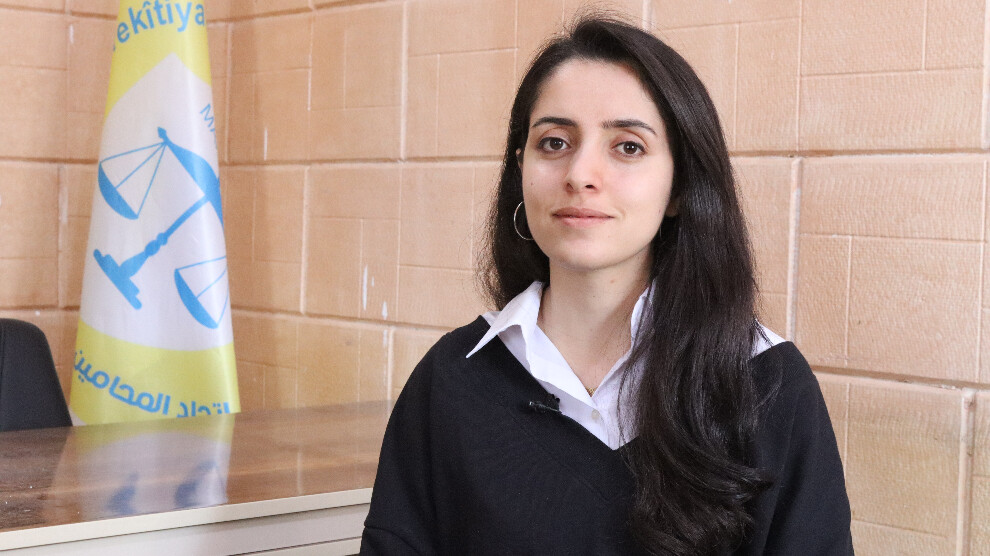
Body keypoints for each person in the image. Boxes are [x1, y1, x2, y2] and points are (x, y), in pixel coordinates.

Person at [360, 16, 852, 556]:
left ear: (680, 187)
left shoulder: (767, 384)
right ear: (521, 170)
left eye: (628, 147)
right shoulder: (450, 381)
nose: (580, 174)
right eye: (554, 142)